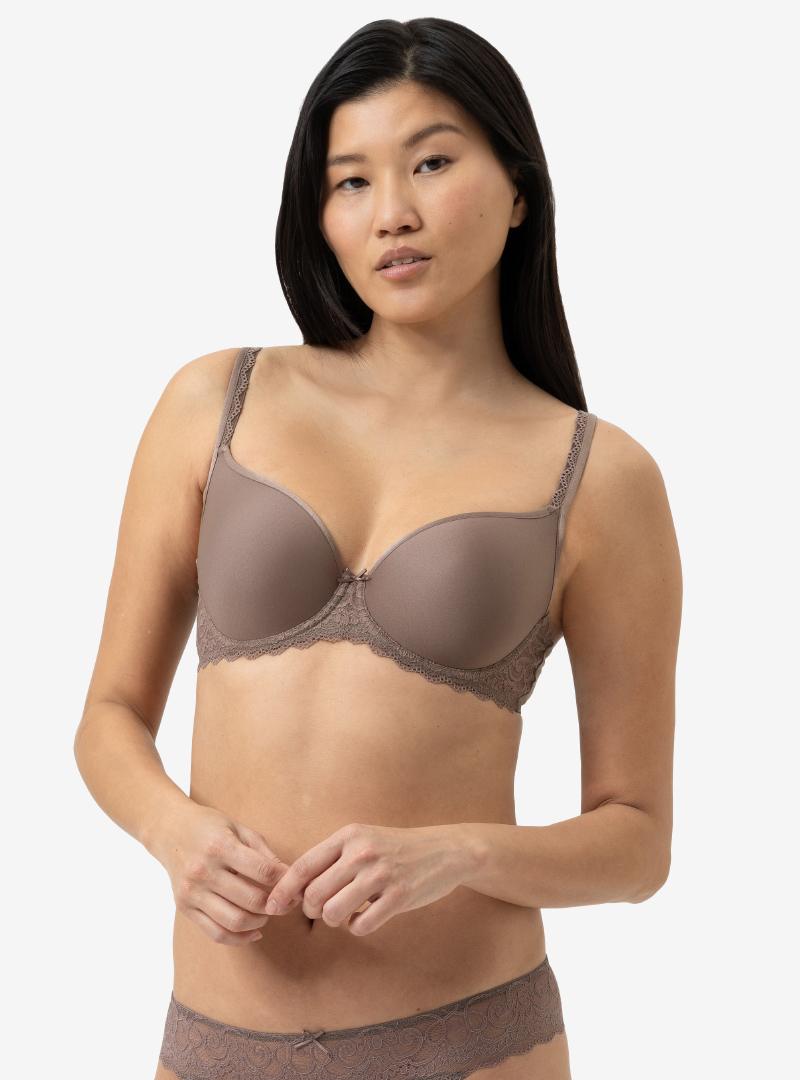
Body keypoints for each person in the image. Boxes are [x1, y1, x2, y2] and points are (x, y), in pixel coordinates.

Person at [74, 17, 681, 1080]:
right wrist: (172, 831)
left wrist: (461, 852)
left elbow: (636, 843)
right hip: (214, 1043)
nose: (391, 212)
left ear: (519, 187)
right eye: (349, 181)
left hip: (470, 1042)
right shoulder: (214, 402)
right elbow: (109, 717)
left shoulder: (599, 479)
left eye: (431, 163)